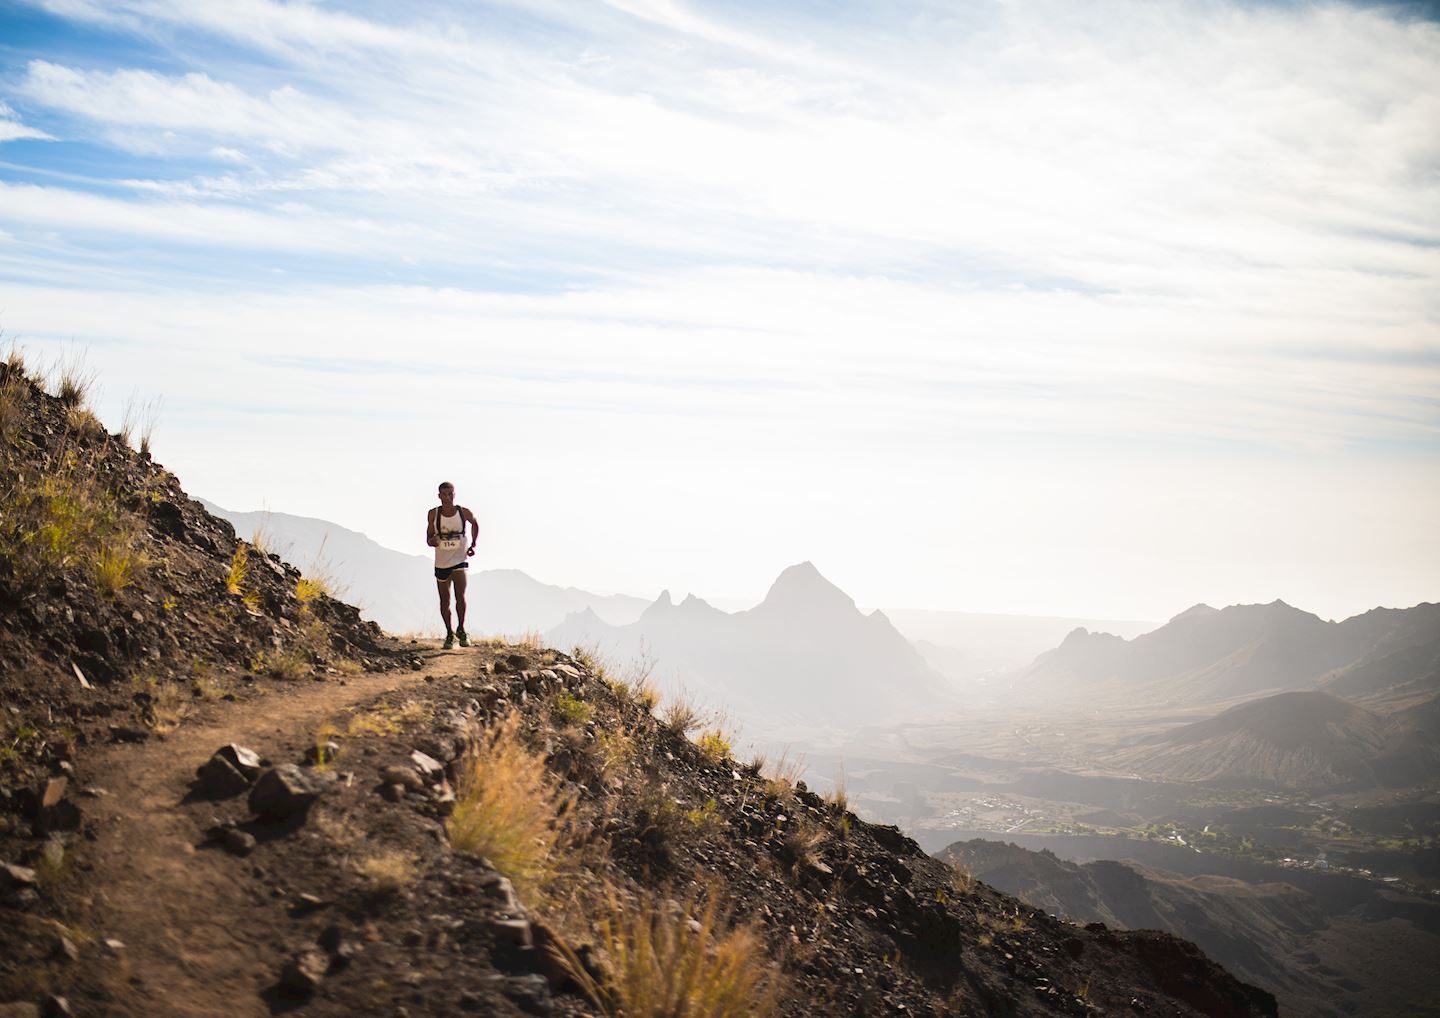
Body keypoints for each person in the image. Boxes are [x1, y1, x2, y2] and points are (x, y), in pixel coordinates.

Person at [426, 481, 478, 649]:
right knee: (444, 601)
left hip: (460, 560)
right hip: (441, 562)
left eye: (450, 494)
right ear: (439, 496)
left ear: (454, 495)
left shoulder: (463, 512)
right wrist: (432, 541)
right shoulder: (433, 514)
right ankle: (449, 633)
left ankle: (461, 630)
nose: (447, 498)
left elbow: (475, 523)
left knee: (460, 596)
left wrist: (473, 545)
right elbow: (428, 537)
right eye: (444, 494)